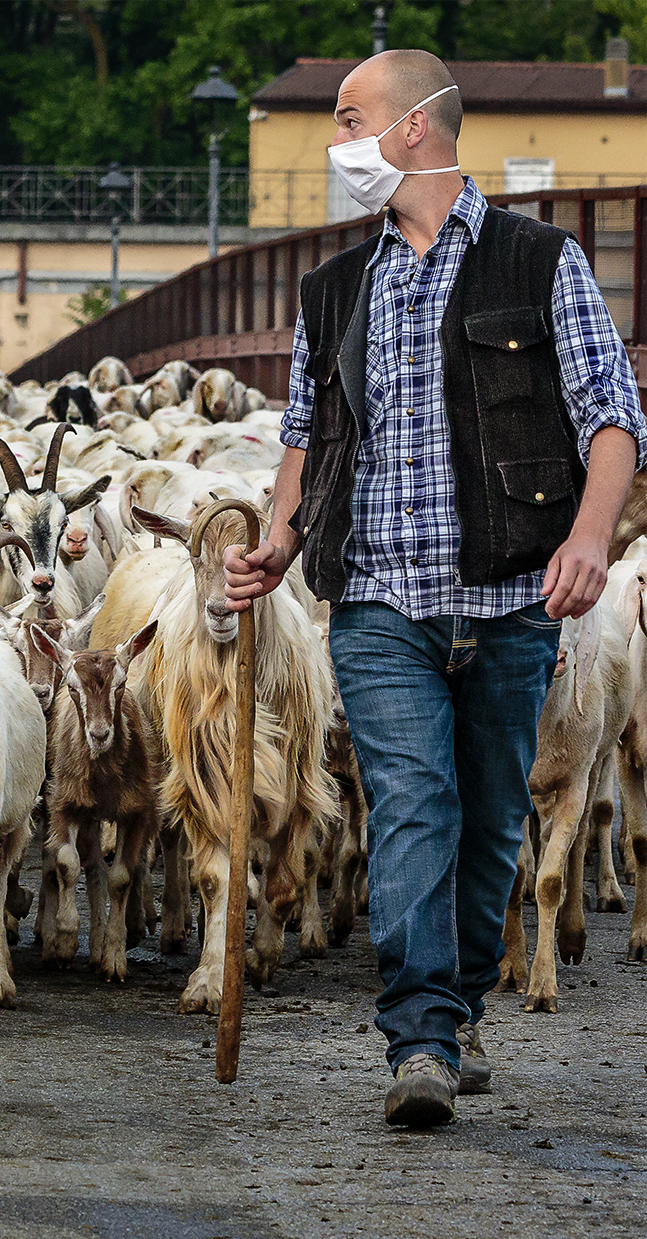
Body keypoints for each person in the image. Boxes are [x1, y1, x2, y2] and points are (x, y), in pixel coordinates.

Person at [224, 50, 646, 1129]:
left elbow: (612, 417)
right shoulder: (335, 289)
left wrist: (592, 537)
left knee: (494, 816)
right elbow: (308, 438)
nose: (334, 142)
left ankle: (456, 1005)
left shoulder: (538, 259)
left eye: (348, 117)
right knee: (413, 803)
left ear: (416, 127)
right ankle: (417, 1036)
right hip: (375, 599)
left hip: (510, 596)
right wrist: (277, 542)